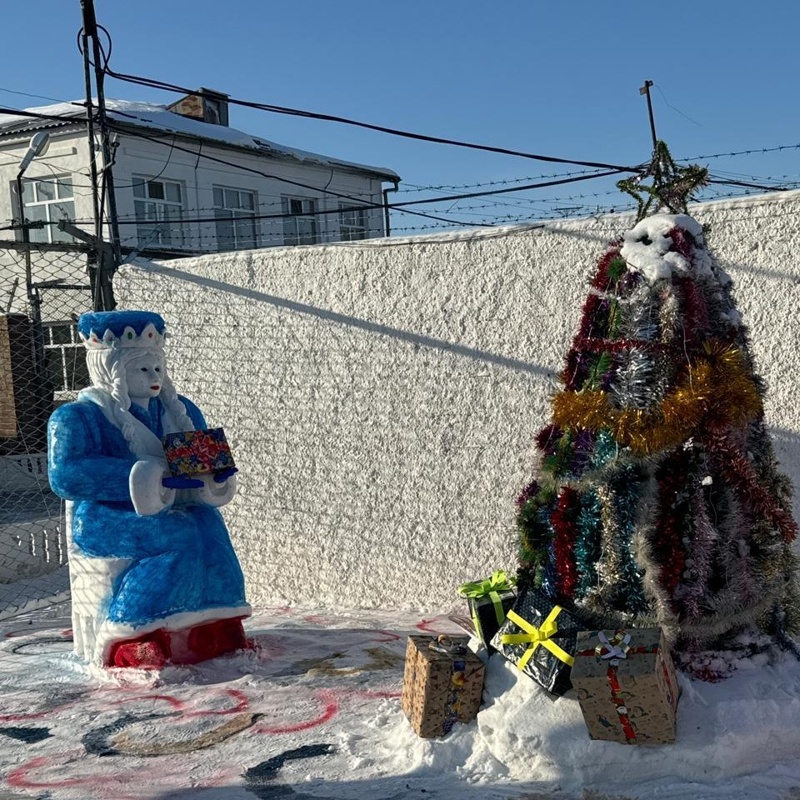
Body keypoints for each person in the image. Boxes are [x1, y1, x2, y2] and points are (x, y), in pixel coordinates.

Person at [48, 310, 250, 669]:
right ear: (112, 370)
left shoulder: (180, 410)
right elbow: (66, 475)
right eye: (142, 369)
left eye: (158, 368)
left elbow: (200, 462)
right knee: (176, 533)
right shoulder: (77, 417)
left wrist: (213, 477)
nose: (155, 377)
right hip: (104, 515)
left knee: (208, 524)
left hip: (172, 503)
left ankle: (214, 621)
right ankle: (132, 632)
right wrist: (140, 474)